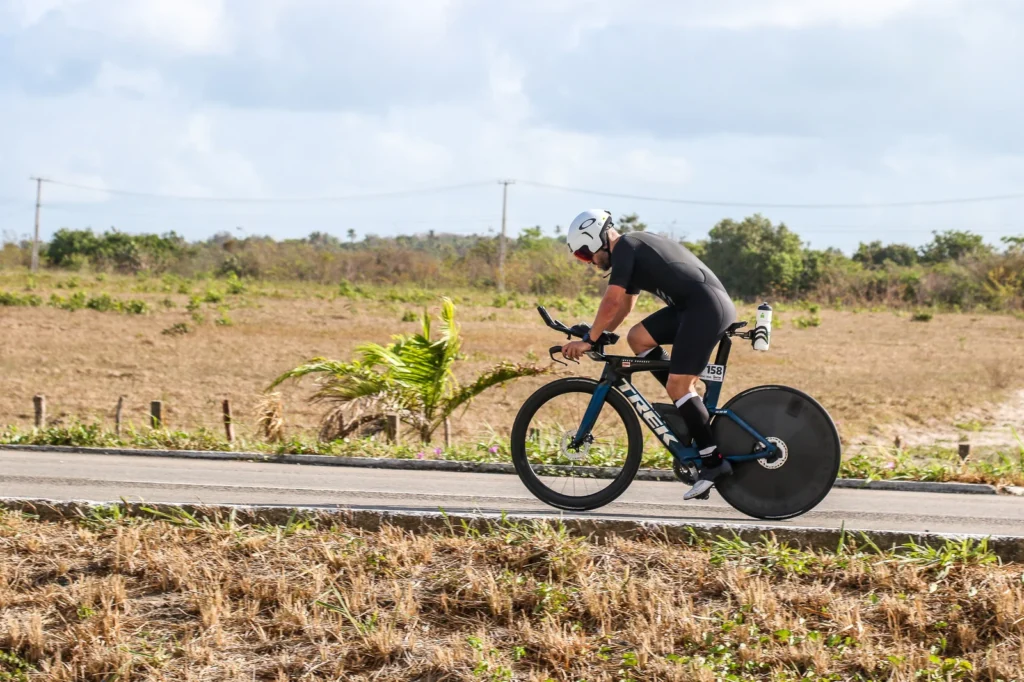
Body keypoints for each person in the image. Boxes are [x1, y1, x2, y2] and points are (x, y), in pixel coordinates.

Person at [560, 209, 738, 500]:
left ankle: (713, 463)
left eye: (584, 253)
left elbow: (612, 299)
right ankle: (687, 405)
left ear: (597, 239)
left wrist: (590, 340)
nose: (588, 262)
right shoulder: (629, 251)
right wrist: (603, 334)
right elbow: (625, 307)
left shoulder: (626, 247)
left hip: (705, 309)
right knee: (638, 338)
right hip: (692, 307)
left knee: (678, 385)